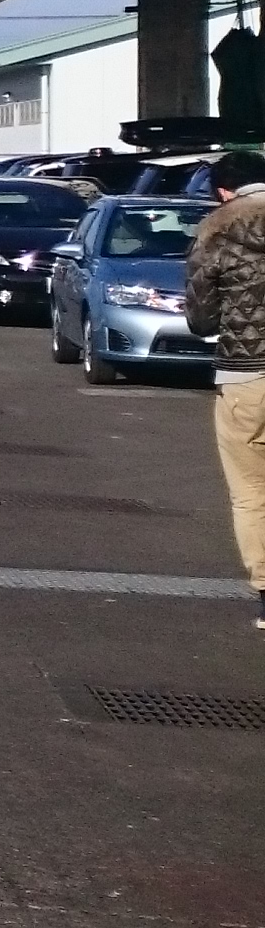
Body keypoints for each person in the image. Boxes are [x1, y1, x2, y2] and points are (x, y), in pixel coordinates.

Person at [183, 151, 265, 632]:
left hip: (246, 374)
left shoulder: (215, 230)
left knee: (252, 491)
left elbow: (201, 318)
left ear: (223, 191)